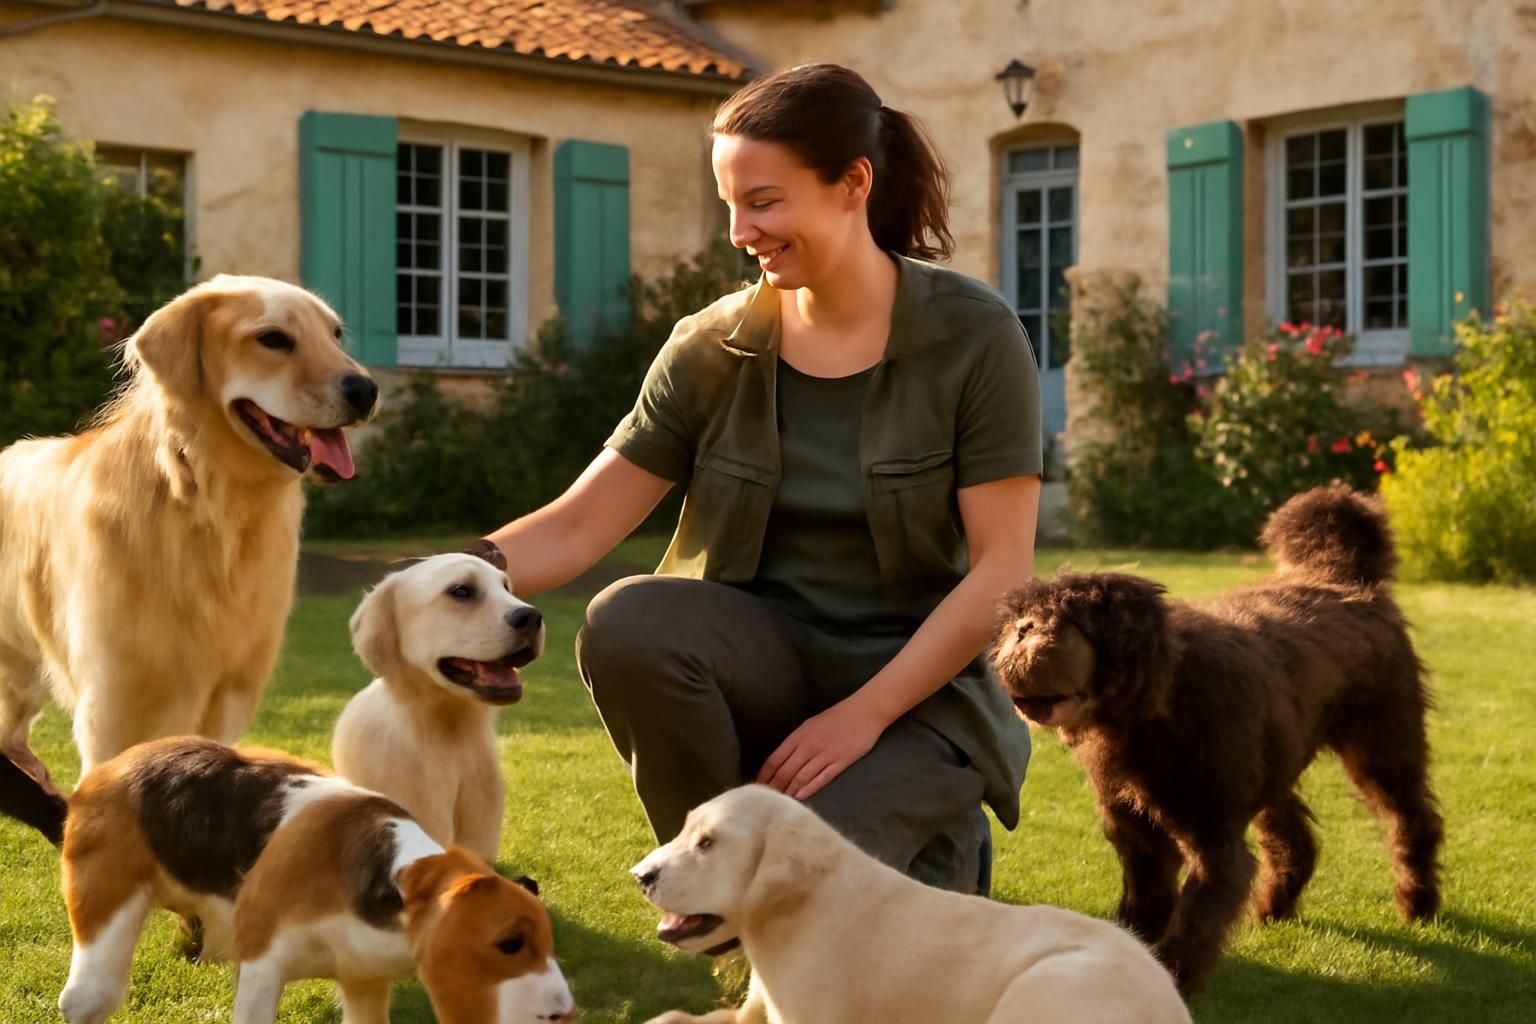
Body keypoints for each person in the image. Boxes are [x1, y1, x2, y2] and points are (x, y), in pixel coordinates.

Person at [481, 63, 1041, 896]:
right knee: (630, 622)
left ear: (853, 183)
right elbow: (579, 525)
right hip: (764, 667)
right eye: (730, 205)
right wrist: (428, 582)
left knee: (823, 889)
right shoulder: (710, 347)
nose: (741, 230)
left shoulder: (975, 337)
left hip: (918, 693)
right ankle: (724, 884)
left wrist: (863, 718)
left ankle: (919, 844)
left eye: (765, 201)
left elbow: (1003, 570)